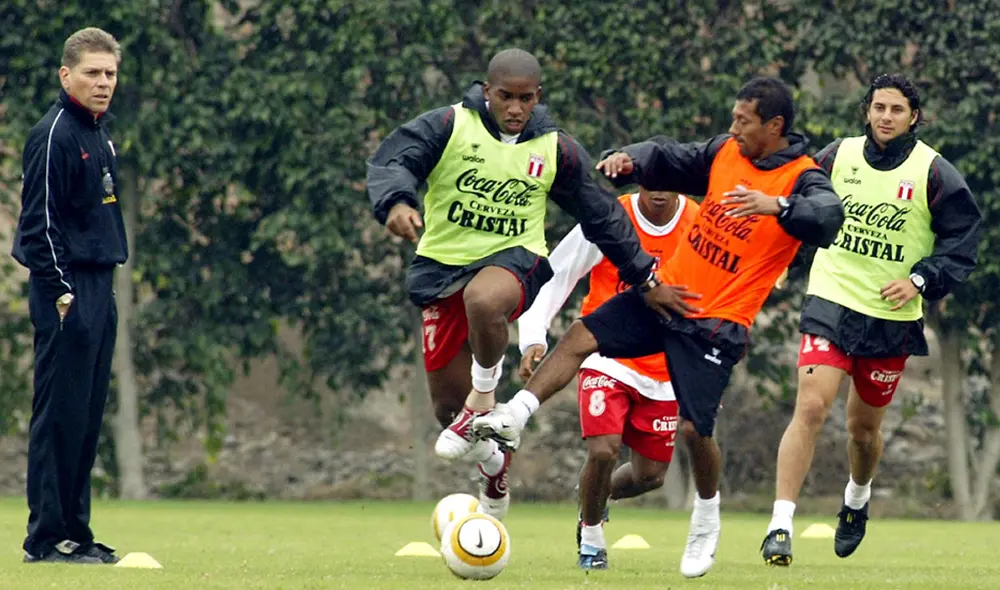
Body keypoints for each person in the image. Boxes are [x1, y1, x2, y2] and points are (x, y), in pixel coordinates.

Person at [473, 77, 845, 578]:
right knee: (583, 335)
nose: (733, 127)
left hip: (716, 324)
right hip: (665, 297)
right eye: (733, 117)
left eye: (744, 120)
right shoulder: (723, 153)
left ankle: (707, 515)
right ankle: (514, 415)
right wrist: (629, 158)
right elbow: (672, 155)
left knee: (694, 431)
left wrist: (776, 206)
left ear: (775, 126)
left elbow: (828, 217)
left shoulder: (803, 178)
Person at [366, 48, 681, 519]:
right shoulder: (449, 126)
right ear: (487, 92)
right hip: (442, 268)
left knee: (485, 299)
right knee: (447, 416)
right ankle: (494, 461)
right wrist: (395, 203)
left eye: (526, 99)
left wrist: (644, 275)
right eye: (506, 97)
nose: (516, 109)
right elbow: (395, 159)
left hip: (516, 262)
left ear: (538, 97)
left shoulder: (555, 148)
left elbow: (602, 216)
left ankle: (484, 400)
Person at [760, 74, 981, 566]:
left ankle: (857, 499)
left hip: (890, 317)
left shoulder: (934, 173)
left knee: (862, 431)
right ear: (867, 111)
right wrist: (778, 262)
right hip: (831, 298)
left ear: (913, 117)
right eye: (878, 107)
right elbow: (801, 207)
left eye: (896, 109)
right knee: (812, 407)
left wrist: (920, 280)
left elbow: (963, 242)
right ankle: (779, 526)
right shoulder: (837, 157)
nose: (886, 116)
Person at [517, 187, 698, 569]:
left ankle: (592, 496)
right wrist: (534, 334)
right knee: (603, 451)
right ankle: (592, 536)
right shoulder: (610, 217)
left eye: (669, 181)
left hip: (664, 369)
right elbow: (557, 272)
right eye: (652, 182)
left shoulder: (697, 221)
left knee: (650, 477)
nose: (660, 192)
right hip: (606, 355)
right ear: (640, 182)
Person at [13, 27, 128, 564]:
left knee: (85, 416)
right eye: (92, 73)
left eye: (109, 73)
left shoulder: (99, 133)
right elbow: (39, 224)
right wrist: (61, 293)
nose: (103, 82)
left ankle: (76, 534)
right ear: (66, 75)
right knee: (59, 414)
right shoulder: (54, 132)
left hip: (100, 285)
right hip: (67, 288)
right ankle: (46, 538)